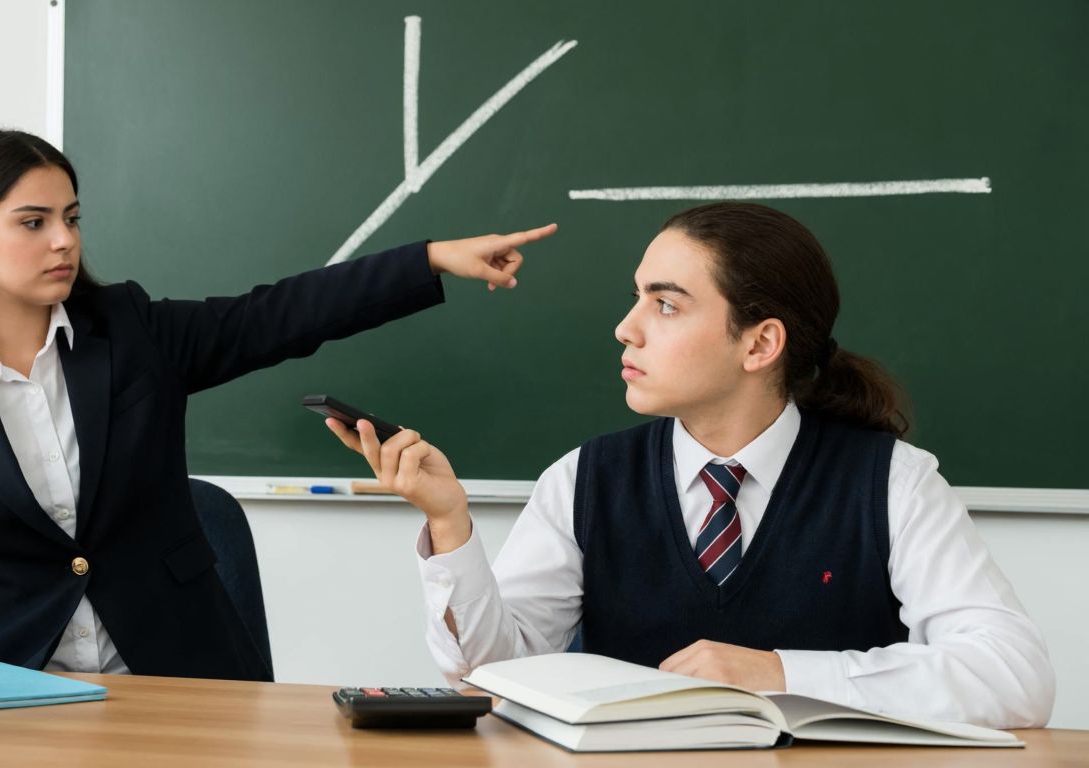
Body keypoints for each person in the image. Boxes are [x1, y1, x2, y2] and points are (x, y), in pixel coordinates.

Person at [0, 128, 556, 681]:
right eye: (33, 222)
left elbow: (278, 315)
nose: (64, 239)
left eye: (71, 215)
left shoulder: (129, 331)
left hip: (176, 678)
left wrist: (431, 258)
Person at [323, 202, 1054, 728]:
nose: (626, 327)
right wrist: (450, 525)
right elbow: (491, 675)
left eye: (665, 305)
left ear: (760, 344)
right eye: (637, 297)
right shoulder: (585, 479)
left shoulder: (892, 480)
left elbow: (1016, 679)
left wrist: (779, 673)